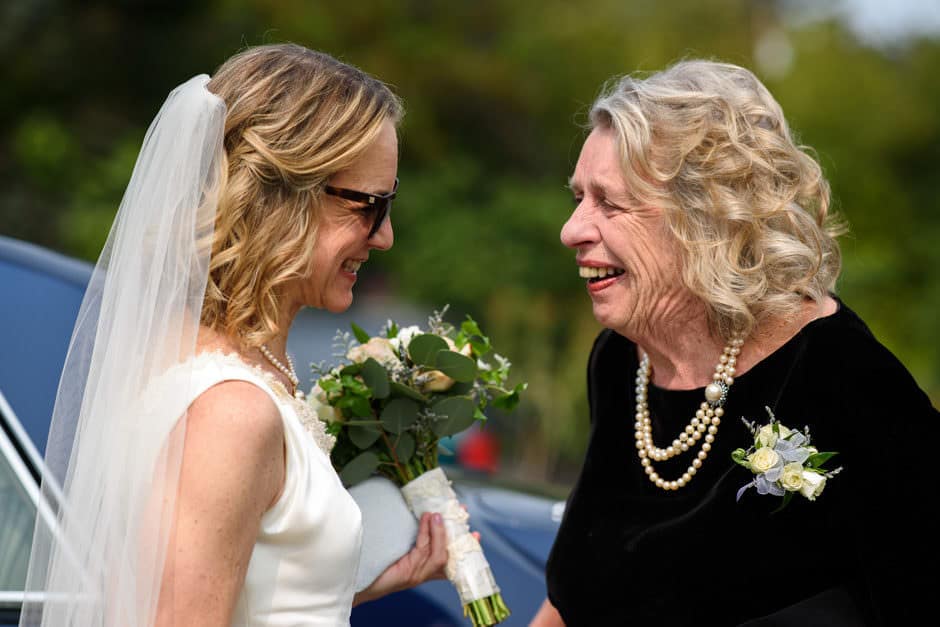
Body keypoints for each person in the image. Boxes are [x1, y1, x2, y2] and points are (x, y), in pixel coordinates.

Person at [22, 43, 448, 627]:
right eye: (369, 205)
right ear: (282, 197)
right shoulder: (230, 411)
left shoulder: (201, 366)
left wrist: (347, 589)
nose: (385, 236)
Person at [531, 59, 938, 626]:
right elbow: (571, 597)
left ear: (707, 220)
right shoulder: (622, 361)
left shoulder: (844, 378)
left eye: (609, 202)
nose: (571, 229)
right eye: (578, 197)